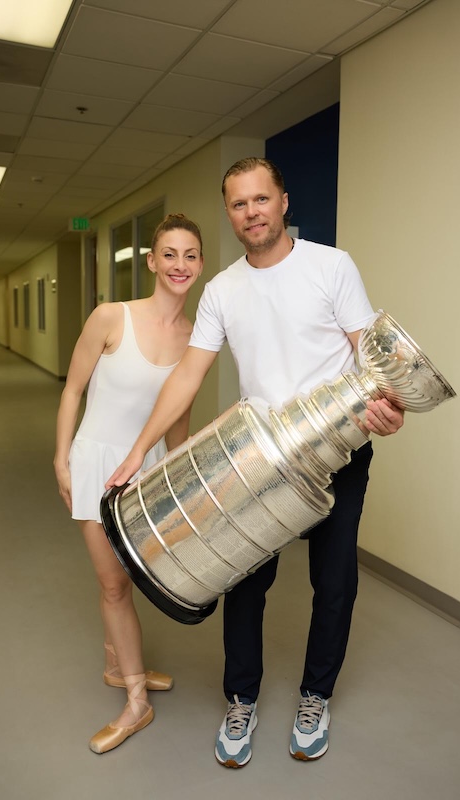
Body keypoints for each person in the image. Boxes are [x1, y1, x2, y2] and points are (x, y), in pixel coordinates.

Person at [107, 158, 404, 767]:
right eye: (239, 204)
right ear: (230, 214)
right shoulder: (222, 291)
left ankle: (314, 696)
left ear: (284, 201)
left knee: (335, 585)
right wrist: (139, 451)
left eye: (261, 200)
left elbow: (369, 355)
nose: (252, 212)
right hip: (259, 460)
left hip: (338, 451)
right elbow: (188, 376)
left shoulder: (331, 265)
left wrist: (389, 404)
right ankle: (241, 699)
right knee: (245, 584)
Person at [54, 213, 204, 754]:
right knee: (114, 584)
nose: (179, 264)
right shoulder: (110, 317)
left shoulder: (196, 337)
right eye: (169, 253)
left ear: (201, 264)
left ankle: (120, 666)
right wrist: (61, 459)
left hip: (151, 471)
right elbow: (72, 390)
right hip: (97, 463)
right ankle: (136, 701)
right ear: (151, 260)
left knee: (136, 578)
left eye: (190, 255)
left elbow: (178, 418)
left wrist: (183, 479)